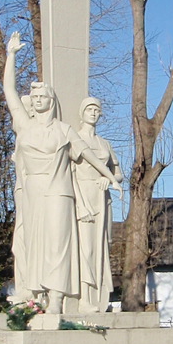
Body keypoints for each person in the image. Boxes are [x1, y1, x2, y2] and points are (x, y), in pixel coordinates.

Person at [2, 32, 117, 315]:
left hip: (59, 193)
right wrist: (12, 56)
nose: (38, 100)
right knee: (36, 244)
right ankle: (38, 297)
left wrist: (111, 177)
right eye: (36, 96)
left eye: (43, 96)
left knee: (58, 244)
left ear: (51, 101)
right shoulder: (24, 127)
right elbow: (9, 91)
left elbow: (88, 155)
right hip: (32, 193)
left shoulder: (64, 130)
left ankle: (57, 298)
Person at [73, 97, 122, 313]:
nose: (93, 113)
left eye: (96, 110)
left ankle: (101, 298)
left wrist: (109, 179)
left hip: (103, 198)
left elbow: (118, 174)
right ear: (81, 112)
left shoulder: (105, 144)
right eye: (89, 109)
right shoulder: (75, 139)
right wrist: (80, 203)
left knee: (103, 247)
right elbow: (69, 173)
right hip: (83, 196)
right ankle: (84, 297)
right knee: (86, 248)